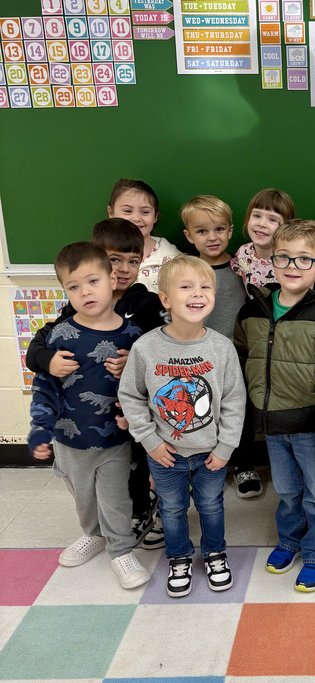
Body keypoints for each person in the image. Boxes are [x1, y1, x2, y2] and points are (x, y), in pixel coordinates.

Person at [26, 218, 168, 550]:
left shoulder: (145, 303)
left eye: (133, 261)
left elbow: (162, 349)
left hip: (135, 410)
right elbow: (38, 348)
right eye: (114, 260)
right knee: (109, 475)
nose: (123, 269)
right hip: (91, 422)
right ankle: (114, 522)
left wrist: (132, 360)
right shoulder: (76, 307)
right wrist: (49, 361)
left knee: (142, 464)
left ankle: (151, 510)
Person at [235, 220, 315, 592]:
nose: (292, 265)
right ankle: (289, 539)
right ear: (272, 261)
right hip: (271, 424)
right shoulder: (253, 309)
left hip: (311, 423)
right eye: (284, 257)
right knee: (287, 489)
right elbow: (239, 359)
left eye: (305, 259)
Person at [119, 255, 246, 597]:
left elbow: (235, 401)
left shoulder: (221, 348)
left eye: (206, 286)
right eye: (186, 286)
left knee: (211, 506)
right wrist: (150, 442)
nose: (197, 293)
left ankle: (215, 553)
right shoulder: (146, 348)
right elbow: (130, 396)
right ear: (165, 299)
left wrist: (225, 448)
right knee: (172, 509)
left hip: (210, 454)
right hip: (164, 454)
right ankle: (179, 557)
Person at [181, 195, 260, 500]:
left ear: (230, 231)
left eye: (218, 229)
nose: (211, 237)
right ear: (188, 236)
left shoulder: (244, 268)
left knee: (240, 411)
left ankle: (243, 463)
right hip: (198, 358)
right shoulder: (183, 271)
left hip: (240, 356)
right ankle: (201, 465)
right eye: (201, 231)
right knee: (201, 408)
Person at [107, 178, 179, 294]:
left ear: (155, 216)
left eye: (145, 212)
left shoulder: (171, 256)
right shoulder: (98, 254)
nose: (136, 218)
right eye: (127, 211)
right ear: (111, 213)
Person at [229, 188, 296, 292]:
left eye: (272, 220)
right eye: (257, 215)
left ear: (286, 227)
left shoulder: (292, 261)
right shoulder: (243, 253)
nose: (261, 224)